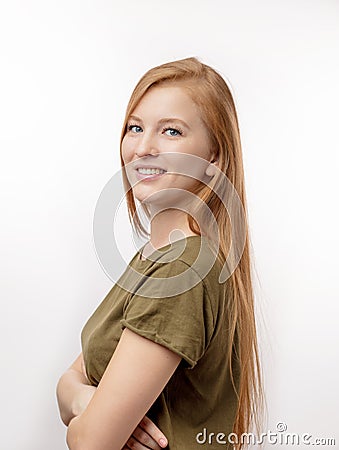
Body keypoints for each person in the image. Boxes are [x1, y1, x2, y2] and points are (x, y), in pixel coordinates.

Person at [56, 57, 263, 450]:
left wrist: (80, 413)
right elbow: (70, 379)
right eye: (135, 127)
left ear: (214, 157)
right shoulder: (152, 261)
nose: (143, 148)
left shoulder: (181, 272)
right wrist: (82, 397)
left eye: (171, 131)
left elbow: (89, 443)